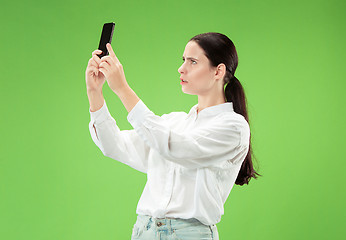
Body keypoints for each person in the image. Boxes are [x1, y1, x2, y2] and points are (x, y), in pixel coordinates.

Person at [85, 32, 261, 240]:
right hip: (144, 231)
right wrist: (94, 92)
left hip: (188, 234)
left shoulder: (233, 127)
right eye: (183, 60)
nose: (182, 68)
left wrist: (123, 89)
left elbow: (177, 148)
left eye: (193, 61)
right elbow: (115, 145)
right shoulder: (173, 122)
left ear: (218, 71)